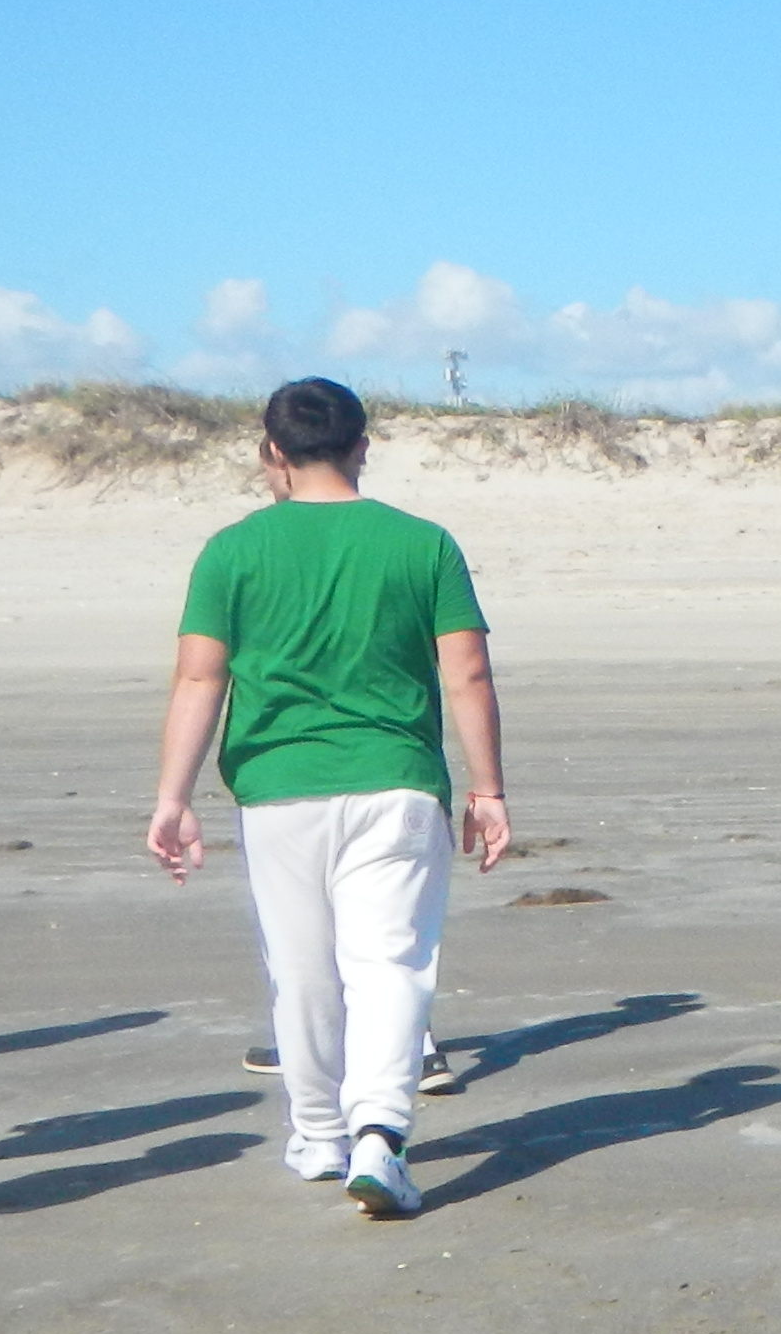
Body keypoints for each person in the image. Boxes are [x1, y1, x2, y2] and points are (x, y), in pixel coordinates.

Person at [146, 376, 511, 1219]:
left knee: (302, 967)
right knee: (388, 965)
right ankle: (380, 1131)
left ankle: (318, 1134)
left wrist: (173, 796)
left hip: (278, 791)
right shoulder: (423, 544)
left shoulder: (232, 551)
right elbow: (468, 672)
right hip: (397, 781)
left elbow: (199, 676)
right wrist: (488, 788)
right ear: (362, 448)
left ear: (272, 452)